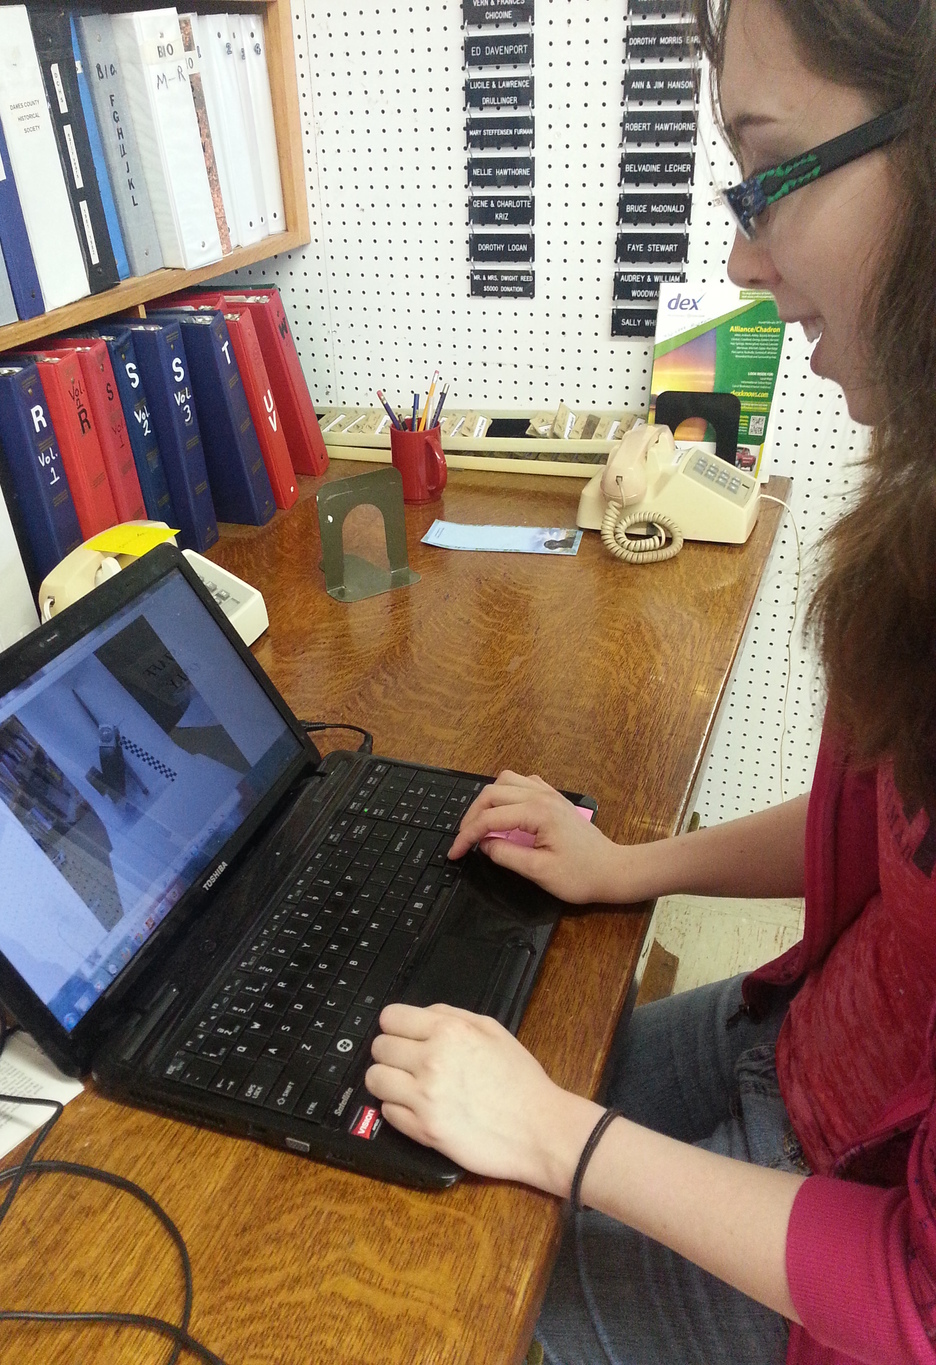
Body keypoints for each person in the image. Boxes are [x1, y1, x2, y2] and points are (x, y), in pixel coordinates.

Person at [364, 1, 936, 1361]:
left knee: (441, 1300)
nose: (745, 259)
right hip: (803, 1050)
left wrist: (553, 1133)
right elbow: (891, 835)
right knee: (441, 1092)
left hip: (849, 1248)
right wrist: (630, 865)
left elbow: (917, 1294)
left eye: (769, 173)